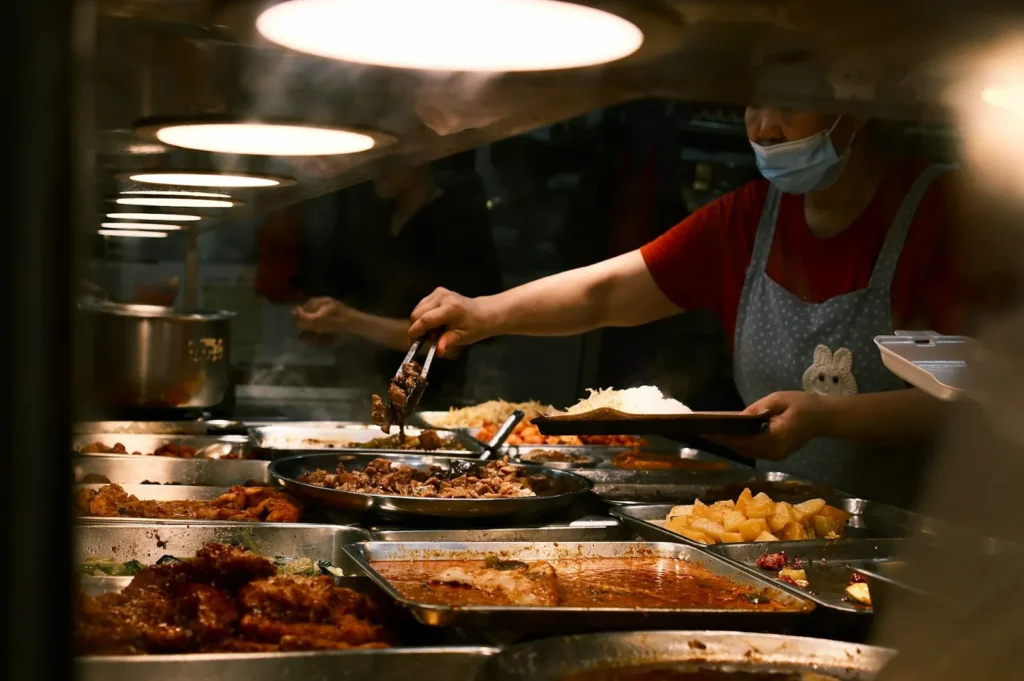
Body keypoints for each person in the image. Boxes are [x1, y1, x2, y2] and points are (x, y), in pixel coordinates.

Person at [407, 107, 967, 506]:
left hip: (929, 548)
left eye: (790, 103)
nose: (766, 127)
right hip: (789, 528)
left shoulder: (947, 217)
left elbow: (976, 403)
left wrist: (824, 417)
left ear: (860, 102)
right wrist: (486, 313)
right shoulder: (752, 220)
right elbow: (608, 292)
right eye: (754, 102)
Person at [292, 158, 502, 408]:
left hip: (435, 401)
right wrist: (329, 325)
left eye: (391, 159)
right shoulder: (378, 219)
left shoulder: (453, 220)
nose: (377, 170)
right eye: (375, 160)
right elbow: (369, 309)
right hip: (369, 389)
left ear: (422, 155)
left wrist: (348, 319)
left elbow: (449, 343)